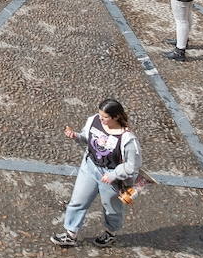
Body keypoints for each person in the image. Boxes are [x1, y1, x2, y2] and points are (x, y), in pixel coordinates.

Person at [51, 99, 142, 248]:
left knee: (111, 208)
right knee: (78, 200)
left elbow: (132, 166)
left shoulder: (127, 139)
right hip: (90, 166)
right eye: (100, 115)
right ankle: (70, 234)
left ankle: (110, 232)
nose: (100, 119)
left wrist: (114, 175)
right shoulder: (94, 120)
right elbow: (86, 140)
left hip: (111, 177)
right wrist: (76, 136)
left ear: (116, 117)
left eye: (105, 117)